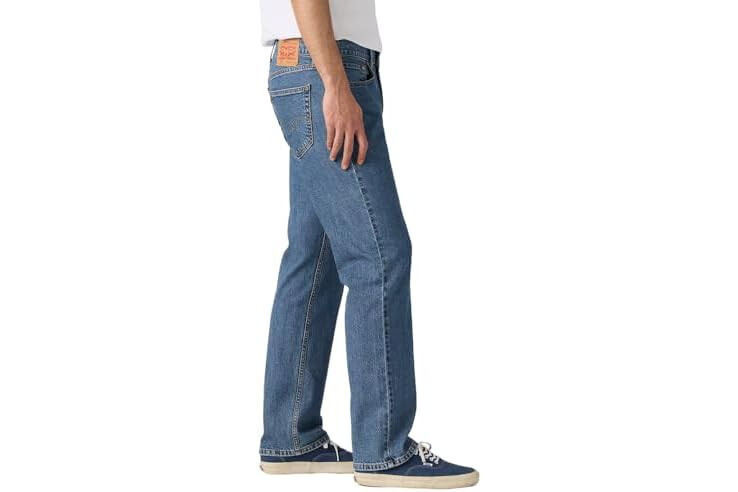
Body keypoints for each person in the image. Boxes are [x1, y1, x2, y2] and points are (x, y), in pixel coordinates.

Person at [258, 1, 478, 488]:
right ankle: (385, 449)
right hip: (326, 67)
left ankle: (291, 434)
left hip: (312, 63)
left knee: (313, 256)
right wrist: (336, 85)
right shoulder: (330, 75)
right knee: (379, 256)